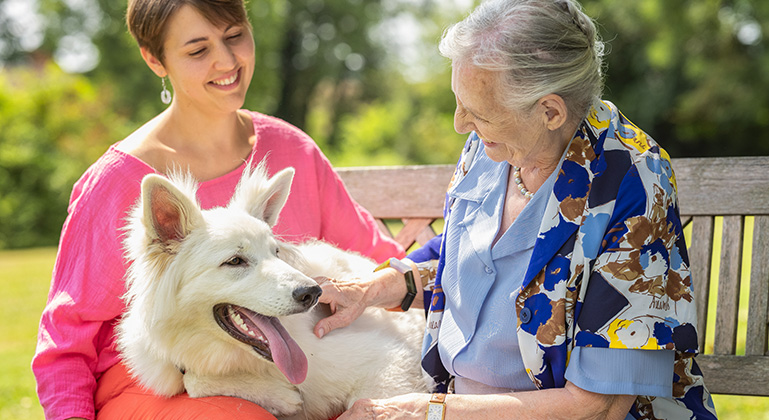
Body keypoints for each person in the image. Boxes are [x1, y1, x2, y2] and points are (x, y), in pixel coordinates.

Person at [314, 0, 718, 418]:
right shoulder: (495, 146)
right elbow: (469, 262)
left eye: (478, 113)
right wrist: (369, 290)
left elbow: (598, 406)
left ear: (549, 111)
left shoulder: (633, 179)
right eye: (460, 102)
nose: (459, 124)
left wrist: (428, 412)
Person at [31, 1, 403, 419]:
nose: (227, 61)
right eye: (197, 50)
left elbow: (377, 259)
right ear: (156, 59)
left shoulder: (292, 148)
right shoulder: (118, 180)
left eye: (234, 36)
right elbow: (64, 346)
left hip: (291, 364)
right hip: (155, 383)